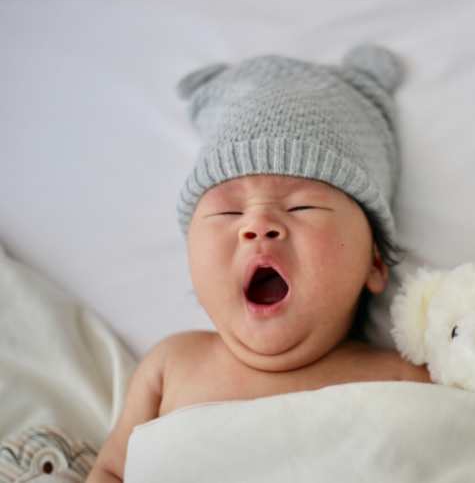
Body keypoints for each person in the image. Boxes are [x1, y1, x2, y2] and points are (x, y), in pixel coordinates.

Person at [86, 45, 431, 482]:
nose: (258, 224)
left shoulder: (403, 380)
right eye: (229, 212)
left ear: (375, 264)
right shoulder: (170, 366)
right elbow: (113, 471)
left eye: (303, 207)